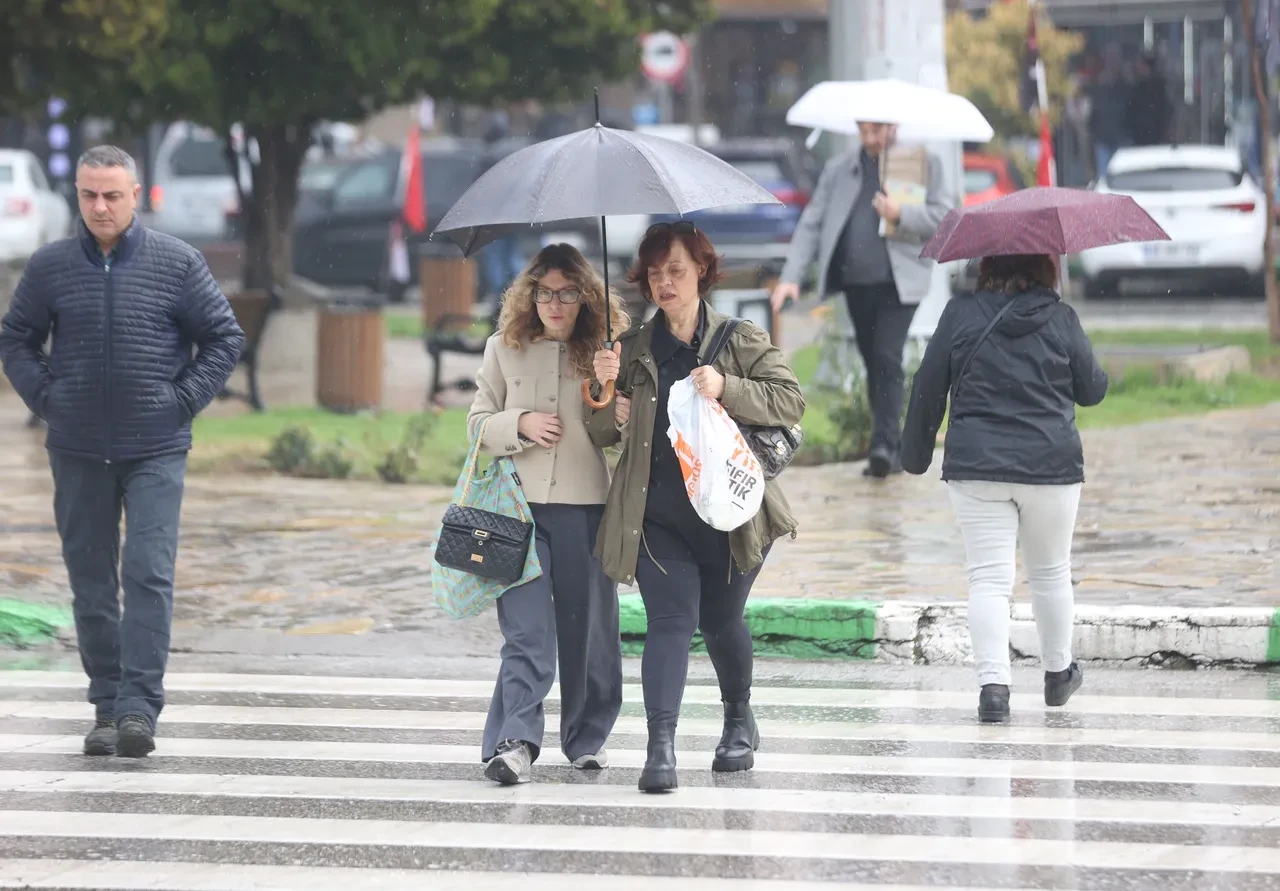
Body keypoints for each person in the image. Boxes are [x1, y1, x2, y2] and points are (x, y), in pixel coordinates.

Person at [0, 145, 244, 757]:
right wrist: (49, 399)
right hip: (77, 447)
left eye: (112, 194)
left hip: (156, 446)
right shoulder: (51, 266)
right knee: (90, 582)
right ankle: (106, 704)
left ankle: (139, 707)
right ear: (76, 195)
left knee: (148, 573)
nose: (100, 206)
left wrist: (180, 400)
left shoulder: (177, 263)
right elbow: (16, 338)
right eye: (89, 195)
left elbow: (222, 337)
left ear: (136, 195)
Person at [592, 221, 804, 793]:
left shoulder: (739, 338)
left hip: (732, 516)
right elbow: (599, 435)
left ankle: (739, 717)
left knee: (718, 619)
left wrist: (726, 386)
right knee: (669, 621)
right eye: (655, 274)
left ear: (702, 272)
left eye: (677, 271)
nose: (665, 283)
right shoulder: (630, 348)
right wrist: (603, 397)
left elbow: (790, 399)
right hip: (658, 517)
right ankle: (659, 748)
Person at [900, 254, 1108, 725]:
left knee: (989, 578)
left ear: (985, 264)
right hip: (1050, 466)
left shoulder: (959, 314)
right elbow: (1092, 390)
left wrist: (913, 455)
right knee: (1051, 571)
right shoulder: (1061, 317)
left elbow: (928, 383)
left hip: (977, 467)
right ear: (1046, 267)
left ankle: (994, 690)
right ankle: (1058, 674)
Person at [466, 242, 630, 785]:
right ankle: (514, 742)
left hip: (587, 510)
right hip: (517, 512)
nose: (555, 304)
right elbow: (475, 425)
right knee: (527, 632)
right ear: (529, 296)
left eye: (567, 294)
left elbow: (626, 436)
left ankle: (587, 738)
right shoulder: (502, 348)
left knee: (590, 632)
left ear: (585, 298)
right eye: (545, 293)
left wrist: (612, 385)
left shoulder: (608, 352)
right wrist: (519, 424)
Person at [771, 122, 951, 478]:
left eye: (877, 131)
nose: (869, 139)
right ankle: (892, 445)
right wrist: (791, 277)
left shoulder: (920, 163)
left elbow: (944, 216)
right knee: (874, 360)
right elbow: (813, 221)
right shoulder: (840, 169)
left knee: (886, 355)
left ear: (894, 126)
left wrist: (902, 214)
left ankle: (883, 445)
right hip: (857, 283)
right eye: (863, 131)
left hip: (901, 283)